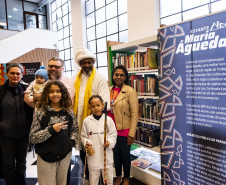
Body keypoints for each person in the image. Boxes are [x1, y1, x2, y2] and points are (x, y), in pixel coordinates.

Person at [29, 80, 78, 185]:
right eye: (51, 92)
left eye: (58, 91)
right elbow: (32, 137)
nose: (55, 94)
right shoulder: (41, 112)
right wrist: (51, 130)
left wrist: (71, 143)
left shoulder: (68, 111)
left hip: (65, 155)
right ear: (46, 93)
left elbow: (74, 129)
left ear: (63, 93)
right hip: (46, 157)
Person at [73, 47, 110, 182]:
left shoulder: (100, 78)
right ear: (80, 64)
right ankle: (88, 176)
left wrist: (97, 121)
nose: (87, 65)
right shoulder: (76, 78)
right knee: (83, 148)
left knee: (97, 150)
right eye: (84, 62)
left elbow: (105, 103)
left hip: (95, 120)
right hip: (79, 120)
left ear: (93, 62)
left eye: (89, 62)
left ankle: (100, 179)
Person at [0, 63, 33, 185]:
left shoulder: (27, 90)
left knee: (22, 163)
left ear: (22, 74)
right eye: (12, 73)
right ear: (7, 74)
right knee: (8, 165)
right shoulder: (1, 91)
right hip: (6, 135)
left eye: (18, 73)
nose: (15, 75)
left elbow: (32, 110)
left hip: (23, 134)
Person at [108, 65, 138, 185]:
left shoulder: (130, 91)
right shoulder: (108, 89)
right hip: (111, 130)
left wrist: (131, 133)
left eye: (121, 75)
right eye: (116, 74)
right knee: (116, 156)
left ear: (125, 77)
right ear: (113, 76)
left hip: (124, 130)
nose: (119, 77)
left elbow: (135, 114)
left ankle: (126, 177)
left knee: (125, 156)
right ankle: (118, 176)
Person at [81, 95, 117, 185]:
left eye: (98, 105)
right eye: (93, 106)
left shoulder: (108, 120)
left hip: (106, 156)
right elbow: (83, 136)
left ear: (102, 105)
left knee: (108, 180)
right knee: (93, 180)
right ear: (90, 107)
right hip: (93, 157)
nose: (96, 108)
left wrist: (109, 142)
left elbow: (113, 134)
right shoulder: (87, 121)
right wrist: (86, 143)